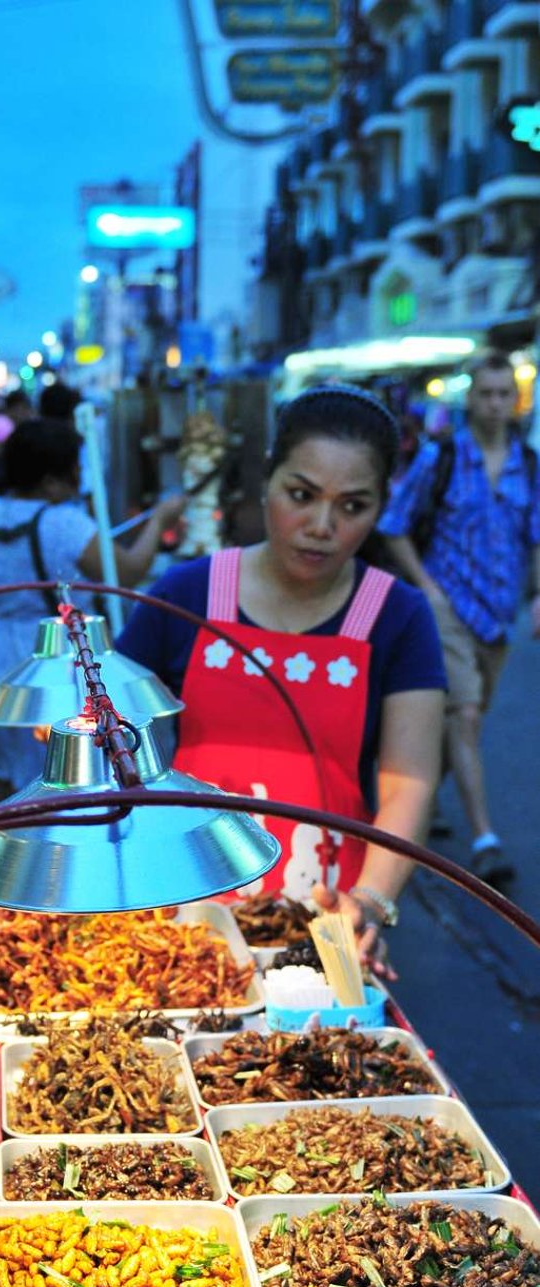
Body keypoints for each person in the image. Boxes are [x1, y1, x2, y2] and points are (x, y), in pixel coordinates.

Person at [117, 385, 447, 973]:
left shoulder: (397, 615)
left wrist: (370, 900)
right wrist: (70, 720)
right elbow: (110, 716)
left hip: (331, 911)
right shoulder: (190, 593)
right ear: (266, 480)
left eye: (353, 507)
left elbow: (408, 782)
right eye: (302, 495)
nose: (322, 525)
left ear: (380, 507)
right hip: (185, 905)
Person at [379, 351, 540, 888]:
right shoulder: (441, 457)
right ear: (470, 398)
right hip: (447, 608)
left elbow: (535, 539)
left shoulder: (529, 464)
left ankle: (414, 799)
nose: (495, 404)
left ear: (514, 401)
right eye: (486, 393)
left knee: (461, 722)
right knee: (465, 715)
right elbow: (394, 524)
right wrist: (427, 590)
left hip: (499, 617)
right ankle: (484, 839)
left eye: (503, 394)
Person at [0, 417, 185, 799]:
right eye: (75, 468)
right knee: (61, 775)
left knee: (4, 770)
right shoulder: (63, 523)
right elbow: (127, 573)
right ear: (52, 479)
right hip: (52, 658)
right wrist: (160, 520)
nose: (80, 476)